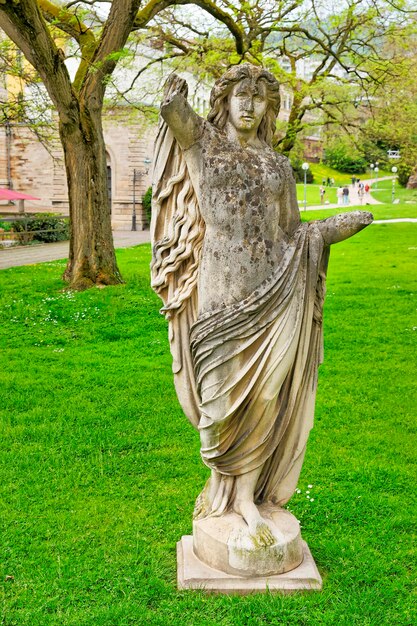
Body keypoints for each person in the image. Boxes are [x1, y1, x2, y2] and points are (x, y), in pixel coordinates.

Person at [151, 65, 372, 547]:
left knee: (266, 395)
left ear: (270, 108)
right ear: (225, 100)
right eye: (241, 95)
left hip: (274, 288)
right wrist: (173, 97)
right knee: (221, 401)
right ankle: (221, 492)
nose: (250, 104)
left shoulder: (276, 165)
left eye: (260, 98)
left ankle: (247, 499)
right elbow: (177, 117)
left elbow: (293, 231)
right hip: (222, 290)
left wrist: (333, 229)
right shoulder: (204, 144)